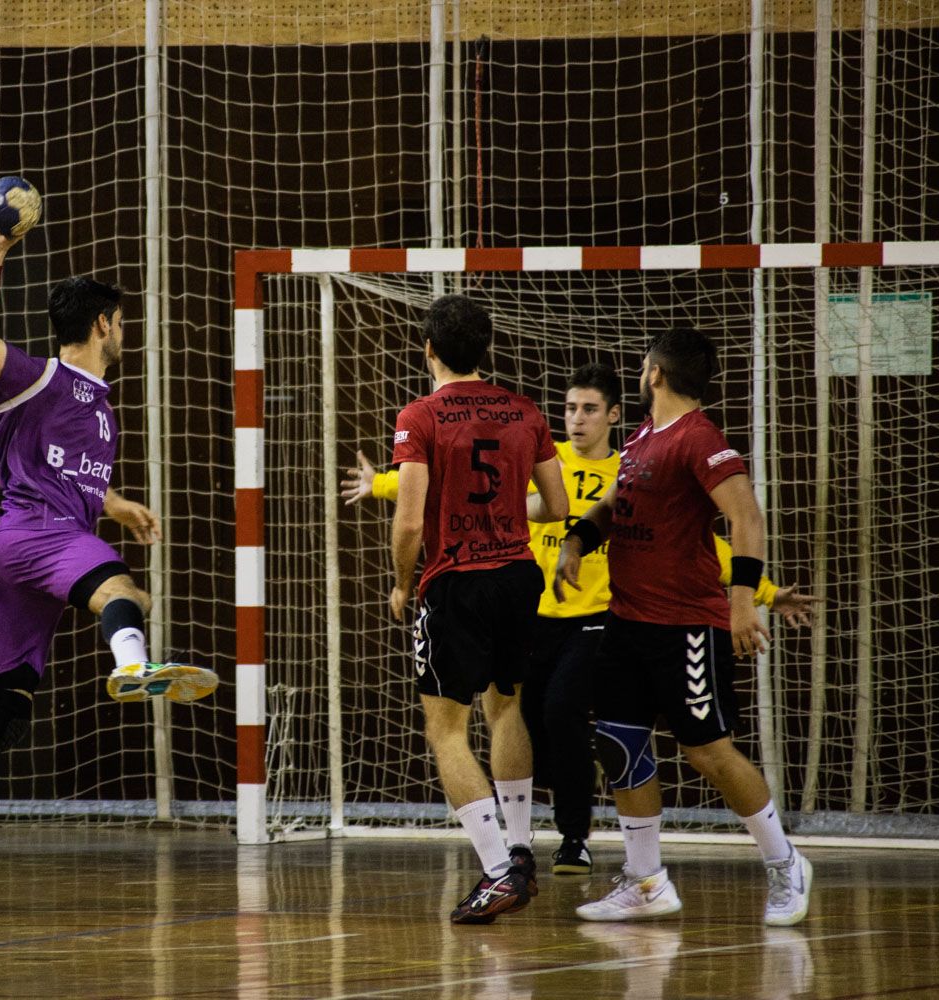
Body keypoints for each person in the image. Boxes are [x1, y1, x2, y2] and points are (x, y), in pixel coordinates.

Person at [343, 362, 817, 877]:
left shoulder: (636, 462)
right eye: (569, 408)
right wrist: (383, 483)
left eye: (589, 409)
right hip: (533, 608)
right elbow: (459, 483)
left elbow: (707, 542)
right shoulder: (549, 454)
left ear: (613, 414)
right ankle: (634, 876)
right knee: (553, 726)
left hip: (596, 619)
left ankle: (574, 839)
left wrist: (762, 593)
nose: (576, 418)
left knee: (565, 713)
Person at [0, 224, 219, 891]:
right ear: (104, 323)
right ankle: (136, 667)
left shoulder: (102, 410)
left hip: (13, 549)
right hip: (37, 534)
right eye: (120, 322)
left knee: (8, 711)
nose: (124, 332)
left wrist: (117, 505)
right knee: (126, 592)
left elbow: (69, 473)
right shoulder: (40, 376)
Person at [555, 326, 813, 926]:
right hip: (625, 622)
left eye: (644, 364)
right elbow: (618, 501)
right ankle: (646, 883)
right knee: (620, 745)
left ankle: (785, 863)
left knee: (710, 754)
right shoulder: (645, 434)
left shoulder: (700, 440)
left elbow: (747, 519)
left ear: (654, 374)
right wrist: (577, 540)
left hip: (685, 628)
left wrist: (744, 602)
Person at [387, 293, 569, 925]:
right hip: (519, 576)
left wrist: (401, 584)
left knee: (445, 730)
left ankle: (499, 870)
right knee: (507, 705)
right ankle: (519, 847)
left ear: (430, 349)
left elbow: (410, 521)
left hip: (456, 582)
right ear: (485, 348)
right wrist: (509, 518)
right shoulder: (524, 410)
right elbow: (558, 503)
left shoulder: (421, 414)